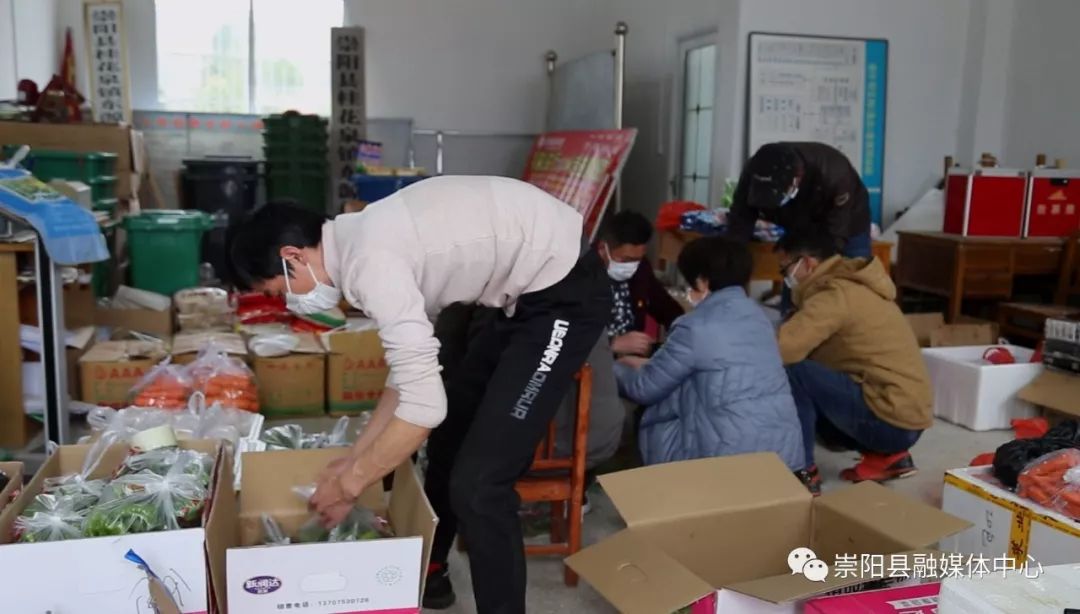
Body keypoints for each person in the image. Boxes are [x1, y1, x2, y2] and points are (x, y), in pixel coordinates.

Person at [226, 176, 611, 613]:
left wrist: (352, 485)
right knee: (448, 441)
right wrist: (355, 457)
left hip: (563, 293)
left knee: (480, 486)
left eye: (279, 291)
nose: (288, 303)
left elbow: (425, 407)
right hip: (519, 296)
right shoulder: (356, 241)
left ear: (292, 256)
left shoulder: (369, 263)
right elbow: (407, 378)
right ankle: (432, 568)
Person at [614, 236, 805, 473]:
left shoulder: (695, 326)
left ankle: (641, 483)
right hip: (781, 456)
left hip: (723, 460)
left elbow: (645, 387)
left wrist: (616, 367)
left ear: (702, 282)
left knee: (652, 408)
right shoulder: (760, 318)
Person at [776, 234, 932, 493]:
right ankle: (887, 458)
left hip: (889, 419)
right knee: (812, 374)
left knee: (793, 373)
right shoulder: (854, 286)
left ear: (808, 263)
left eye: (785, 269)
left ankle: (801, 470)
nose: (786, 278)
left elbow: (784, 350)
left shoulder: (833, 295)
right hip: (906, 415)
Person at [728, 142, 872, 312]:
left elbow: (835, 236)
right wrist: (732, 261)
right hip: (798, 222)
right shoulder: (755, 170)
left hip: (847, 223)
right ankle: (790, 316)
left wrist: (815, 266)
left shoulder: (835, 173)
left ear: (797, 179)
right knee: (793, 273)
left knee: (850, 283)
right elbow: (740, 217)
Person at [598, 210, 685, 356]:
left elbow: (665, 307)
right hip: (594, 359)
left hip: (634, 357)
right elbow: (567, 333)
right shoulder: (579, 275)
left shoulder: (641, 269)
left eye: (637, 259)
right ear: (602, 249)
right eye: (625, 259)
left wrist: (684, 330)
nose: (630, 266)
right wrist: (611, 343)